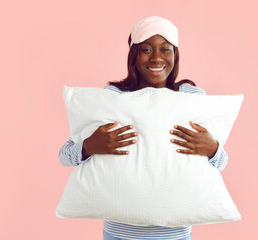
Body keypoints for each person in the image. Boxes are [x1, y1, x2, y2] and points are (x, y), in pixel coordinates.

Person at [59, 16, 229, 240]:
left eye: (165, 49)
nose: (157, 57)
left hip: (175, 236)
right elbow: (65, 156)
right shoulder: (113, 98)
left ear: (175, 55)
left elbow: (221, 163)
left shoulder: (192, 99)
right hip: (119, 235)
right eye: (146, 49)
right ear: (134, 55)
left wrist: (213, 149)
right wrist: (89, 146)